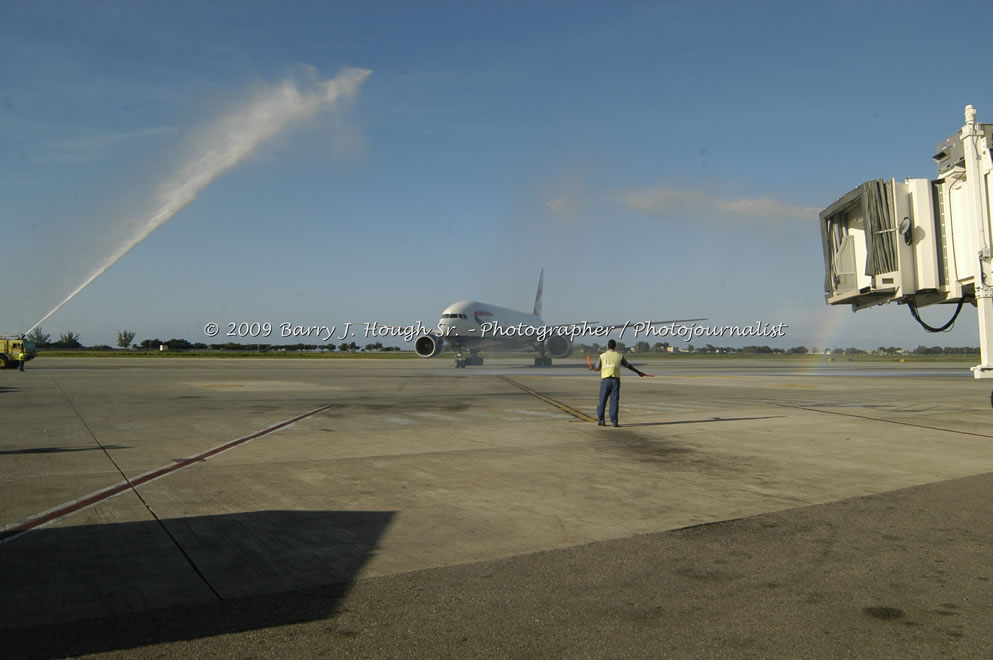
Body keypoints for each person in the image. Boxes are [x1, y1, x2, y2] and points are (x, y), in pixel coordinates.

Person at [589, 339, 645, 427]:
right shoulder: (619, 356)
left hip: (605, 380)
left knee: (602, 401)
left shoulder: (602, 356)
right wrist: (638, 372)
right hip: (615, 380)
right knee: (614, 401)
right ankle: (614, 421)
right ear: (615, 347)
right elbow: (628, 365)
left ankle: (601, 420)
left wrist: (592, 368)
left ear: (608, 346)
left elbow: (597, 368)